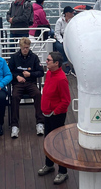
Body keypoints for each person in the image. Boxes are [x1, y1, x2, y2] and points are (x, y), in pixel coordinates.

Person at [37, 51, 71, 185]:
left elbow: (66, 100)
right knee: (48, 140)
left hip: (55, 115)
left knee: (58, 143)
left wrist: (55, 112)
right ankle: (49, 165)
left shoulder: (61, 78)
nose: (47, 61)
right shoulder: (50, 73)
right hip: (47, 113)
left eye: (49, 60)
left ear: (56, 63)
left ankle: (63, 171)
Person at [8, 37, 45, 138]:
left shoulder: (34, 57)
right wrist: (17, 76)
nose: (25, 50)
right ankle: (15, 125)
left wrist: (30, 74)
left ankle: (40, 123)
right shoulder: (14, 57)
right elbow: (8, 71)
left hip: (30, 83)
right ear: (20, 47)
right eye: (24, 48)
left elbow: (41, 72)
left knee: (38, 95)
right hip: (18, 84)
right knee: (14, 97)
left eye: (27, 48)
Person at [54, 6, 75, 75]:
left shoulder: (73, 21)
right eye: (71, 12)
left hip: (71, 38)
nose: (73, 13)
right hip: (61, 38)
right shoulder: (60, 21)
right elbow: (57, 33)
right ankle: (66, 65)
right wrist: (62, 41)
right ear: (66, 13)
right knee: (61, 47)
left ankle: (74, 65)